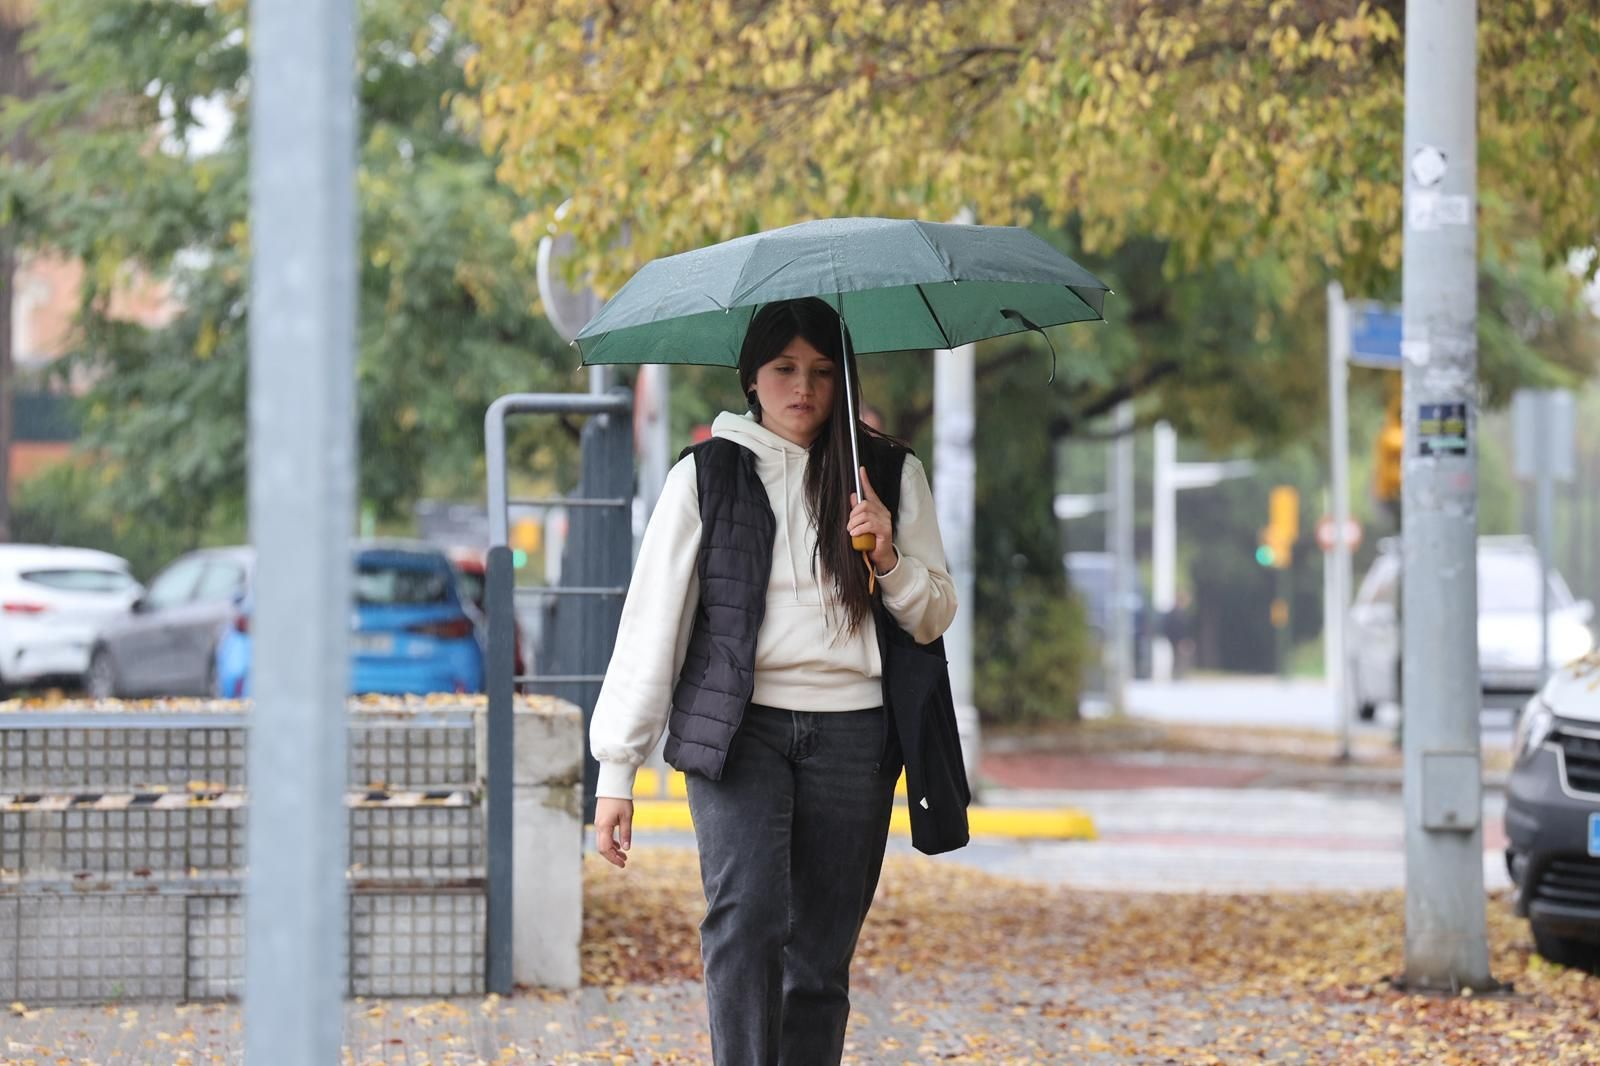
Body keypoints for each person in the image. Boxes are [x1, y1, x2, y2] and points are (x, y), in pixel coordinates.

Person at [589, 297, 957, 1066]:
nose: (804, 388)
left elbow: (932, 616)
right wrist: (616, 769)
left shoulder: (885, 472)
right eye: (785, 369)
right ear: (751, 378)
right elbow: (653, 623)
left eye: (823, 372)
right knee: (746, 920)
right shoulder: (707, 475)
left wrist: (887, 556)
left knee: (820, 956)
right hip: (740, 728)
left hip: (855, 734)